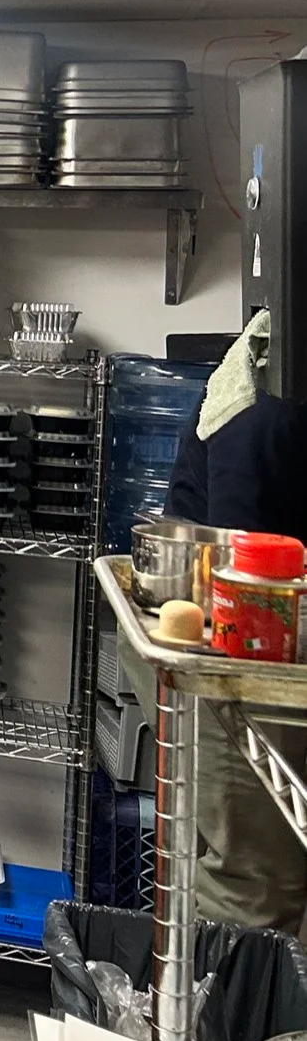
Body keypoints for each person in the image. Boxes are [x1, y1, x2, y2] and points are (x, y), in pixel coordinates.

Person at [166, 314, 307, 929]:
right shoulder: (266, 397)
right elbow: (239, 573)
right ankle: (235, 1025)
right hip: (229, 644)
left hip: (268, 630)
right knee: (255, 879)